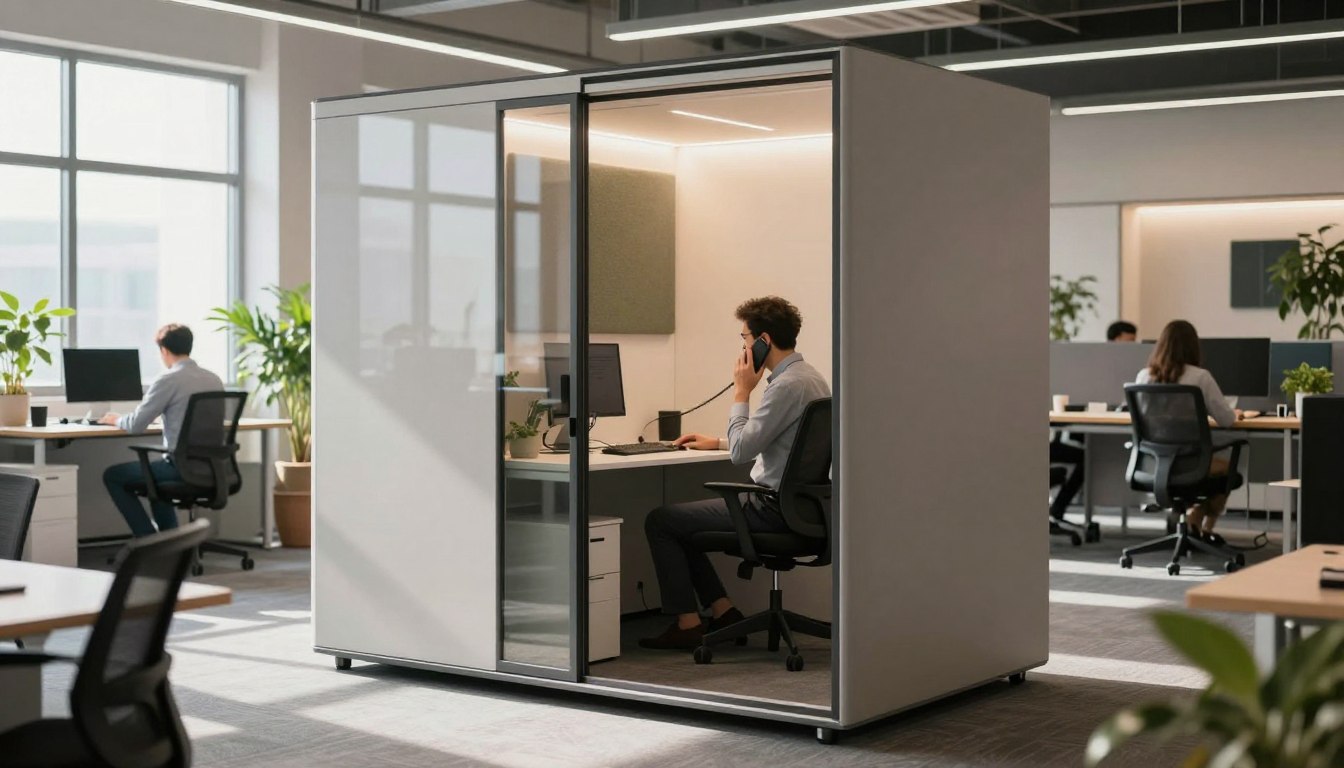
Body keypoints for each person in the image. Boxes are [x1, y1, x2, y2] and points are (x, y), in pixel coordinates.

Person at [639, 296, 831, 650]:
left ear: (763, 341)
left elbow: (743, 452)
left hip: (771, 509)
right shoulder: (810, 378)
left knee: (662, 521)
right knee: (683, 525)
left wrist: (742, 392)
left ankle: (688, 623)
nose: (743, 348)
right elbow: (779, 441)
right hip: (803, 509)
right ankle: (723, 611)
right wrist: (717, 442)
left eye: (744, 339)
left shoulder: (785, 386)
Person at [100, 324, 224, 537]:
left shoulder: (168, 379)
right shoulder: (214, 379)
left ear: (164, 350)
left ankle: (148, 538)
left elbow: (135, 425)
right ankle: (169, 541)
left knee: (113, 476)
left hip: (180, 467)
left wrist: (115, 419)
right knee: (155, 481)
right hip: (212, 467)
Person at [1135, 319, 1241, 541]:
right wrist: (1236, 413)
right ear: (1194, 346)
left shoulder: (1144, 376)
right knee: (1229, 469)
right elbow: (1226, 420)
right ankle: (1199, 518)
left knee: (1218, 470)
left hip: (1155, 463)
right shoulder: (1200, 377)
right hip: (1191, 464)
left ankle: (1197, 520)